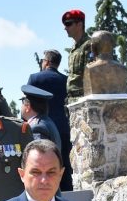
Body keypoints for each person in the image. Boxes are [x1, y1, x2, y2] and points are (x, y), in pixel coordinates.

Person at [28, 50, 73, 190]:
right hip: (63, 127)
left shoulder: (35, 78)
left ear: (46, 62)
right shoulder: (65, 80)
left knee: (42, 163)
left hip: (41, 125)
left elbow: (29, 102)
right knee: (64, 165)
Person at [20, 84, 62, 150]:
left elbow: (39, 154)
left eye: (22, 102)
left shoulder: (36, 127)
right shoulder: (46, 121)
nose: (21, 106)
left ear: (28, 106)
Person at [63, 10, 90, 99]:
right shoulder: (73, 49)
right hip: (72, 98)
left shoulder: (89, 45)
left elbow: (90, 75)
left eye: (68, 24)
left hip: (83, 97)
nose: (65, 28)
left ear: (79, 24)